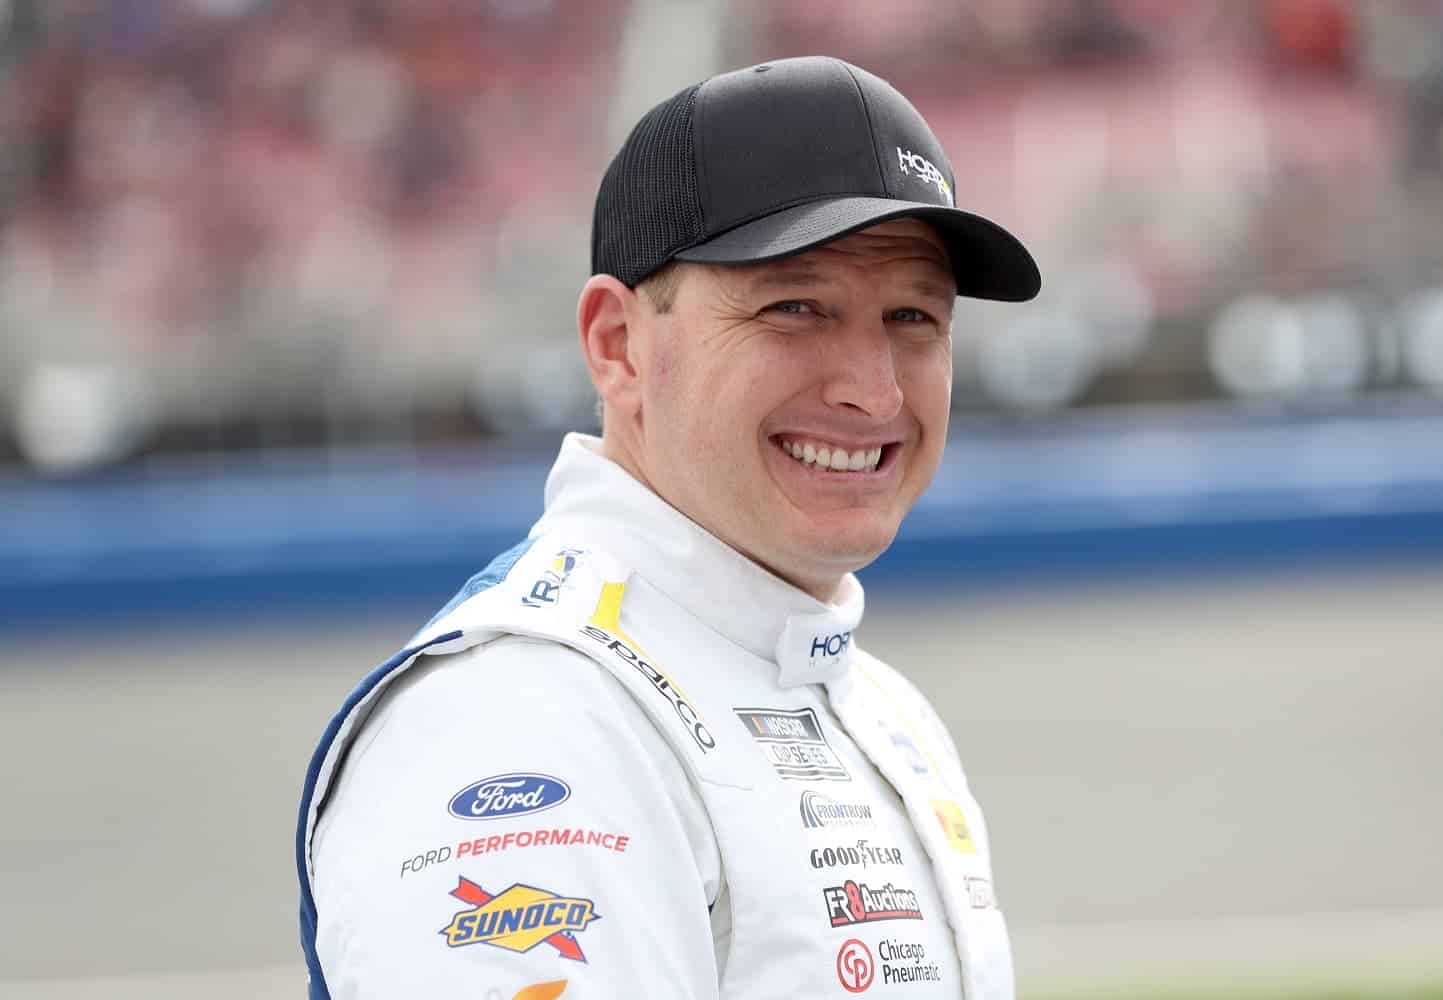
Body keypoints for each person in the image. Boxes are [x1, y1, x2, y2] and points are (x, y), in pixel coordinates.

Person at [296, 55, 1039, 1000]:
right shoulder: (526, 723)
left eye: (913, 316)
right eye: (795, 308)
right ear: (618, 347)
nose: (875, 387)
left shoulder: (881, 711)